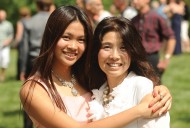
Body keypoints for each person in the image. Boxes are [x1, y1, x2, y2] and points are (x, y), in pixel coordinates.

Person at [20, 5, 172, 128]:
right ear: (51, 37)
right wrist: (138, 111)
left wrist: (159, 90)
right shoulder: (34, 90)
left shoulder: (88, 76)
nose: (73, 46)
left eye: (81, 39)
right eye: (66, 37)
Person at [87, 16, 170, 128]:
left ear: (133, 52)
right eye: (107, 47)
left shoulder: (142, 86)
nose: (114, 56)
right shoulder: (99, 91)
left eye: (123, 48)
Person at [22, 0, 53, 127]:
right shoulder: (54, 21)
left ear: (36, 6)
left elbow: (24, 48)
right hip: (50, 60)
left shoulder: (29, 22)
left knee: (30, 95)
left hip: (33, 60)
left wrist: (22, 69)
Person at [131, 0, 176, 79]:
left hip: (152, 59)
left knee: (154, 88)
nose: (134, 1)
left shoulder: (156, 17)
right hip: (136, 60)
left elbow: (171, 37)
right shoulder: (133, 20)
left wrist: (166, 59)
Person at [13, 6, 31, 81]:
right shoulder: (31, 20)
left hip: (23, 43)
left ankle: (21, 76)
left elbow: (19, 34)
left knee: (22, 59)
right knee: (28, 58)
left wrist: (15, 43)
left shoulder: (20, 22)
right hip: (30, 42)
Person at [0, 9, 14, 82]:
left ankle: (2, 75)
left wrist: (7, 41)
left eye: (2, 15)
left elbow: (11, 35)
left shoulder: (8, 24)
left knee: (4, 61)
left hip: (5, 46)